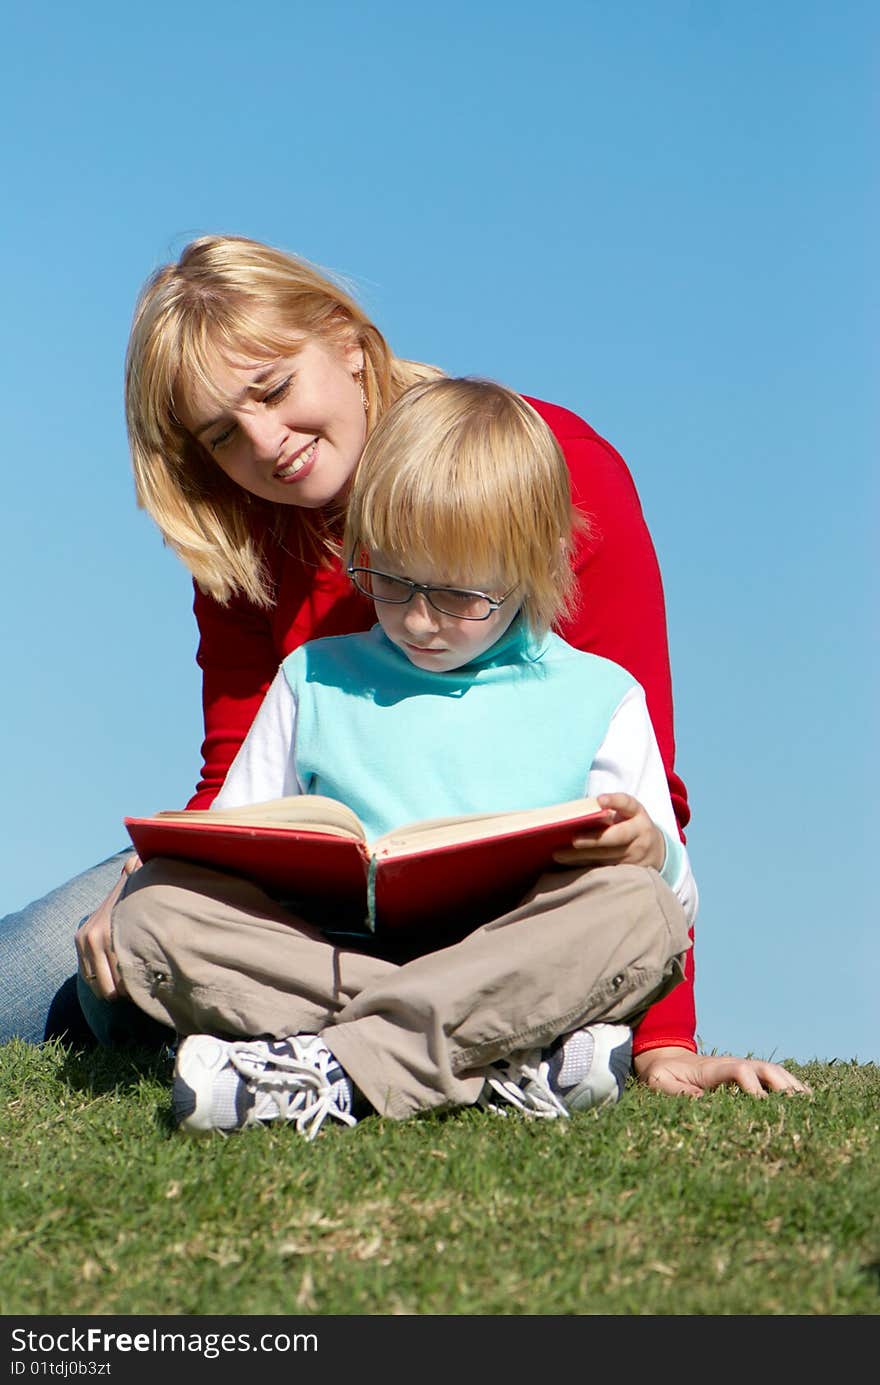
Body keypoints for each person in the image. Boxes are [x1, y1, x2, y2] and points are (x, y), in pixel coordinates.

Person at [4, 234, 804, 1100]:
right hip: (327, 928)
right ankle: (472, 1049)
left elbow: (645, 807)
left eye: (272, 389)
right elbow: (234, 778)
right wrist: (157, 873)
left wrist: (666, 1042)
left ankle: (332, 1063)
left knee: (637, 907)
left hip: (518, 920)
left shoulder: (547, 473)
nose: (267, 445)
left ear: (347, 341)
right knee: (72, 953)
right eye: (223, 434)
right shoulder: (245, 532)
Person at [111, 376, 698, 1137]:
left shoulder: (600, 696)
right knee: (154, 910)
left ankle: (327, 1070)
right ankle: (500, 1060)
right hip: (340, 956)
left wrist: (649, 848)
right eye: (389, 581)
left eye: (459, 596)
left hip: (514, 956)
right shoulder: (314, 679)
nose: (419, 621)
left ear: (538, 564)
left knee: (639, 910)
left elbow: (676, 906)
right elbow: (235, 841)